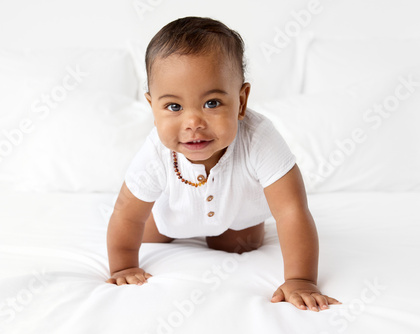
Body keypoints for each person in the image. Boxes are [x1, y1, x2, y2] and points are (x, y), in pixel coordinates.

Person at [106, 16, 341, 312]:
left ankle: (234, 232)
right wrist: (123, 266)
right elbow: (126, 215)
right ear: (153, 107)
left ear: (241, 102)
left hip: (236, 216)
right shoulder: (156, 151)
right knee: (150, 231)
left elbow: (292, 210)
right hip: (173, 213)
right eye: (174, 107)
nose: (193, 123)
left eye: (212, 103)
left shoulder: (260, 138)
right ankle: (168, 230)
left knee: (239, 243)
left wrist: (301, 279)